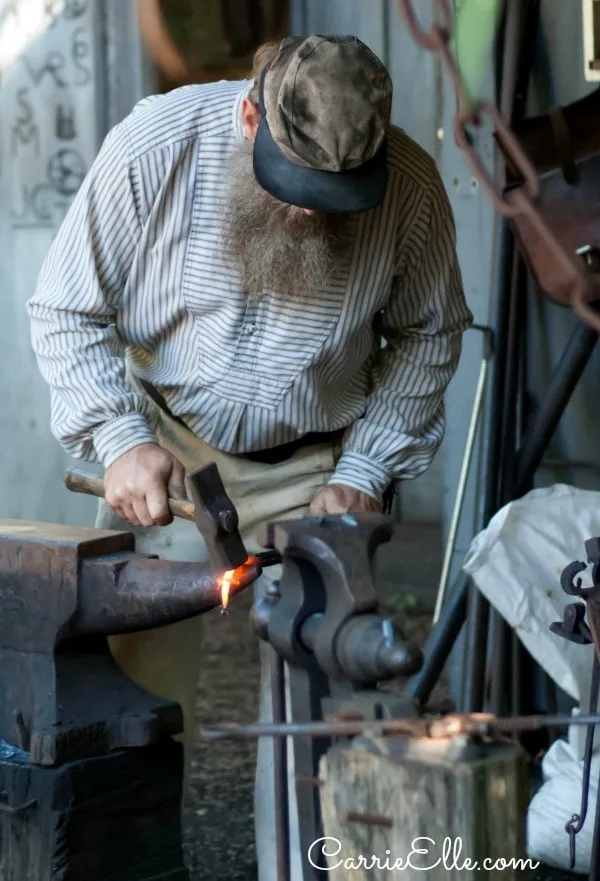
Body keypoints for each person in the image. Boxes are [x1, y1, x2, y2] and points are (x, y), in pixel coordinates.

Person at [28, 34, 472, 879]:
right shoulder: (157, 146)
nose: (312, 212)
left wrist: (363, 471)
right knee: (132, 697)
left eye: (338, 196)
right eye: (298, 185)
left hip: (318, 464)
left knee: (323, 693)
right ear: (247, 114)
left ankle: (301, 864)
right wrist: (121, 441)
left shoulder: (408, 189)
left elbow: (428, 334)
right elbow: (64, 308)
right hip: (166, 446)